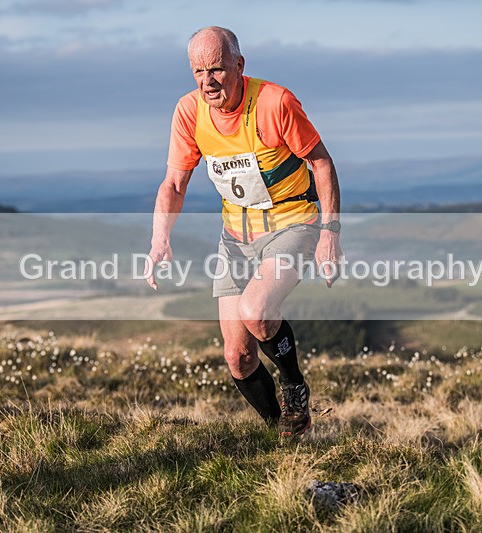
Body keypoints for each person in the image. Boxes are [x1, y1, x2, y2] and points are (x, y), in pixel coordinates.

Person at [146, 26, 342, 437]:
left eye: (216, 69)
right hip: (235, 236)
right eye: (198, 71)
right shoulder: (189, 111)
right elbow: (174, 184)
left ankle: (294, 386)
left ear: (239, 66)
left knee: (256, 312)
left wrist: (330, 232)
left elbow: (322, 163)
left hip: (293, 223)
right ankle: (284, 433)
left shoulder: (275, 102)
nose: (207, 81)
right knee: (238, 357)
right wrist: (160, 238)